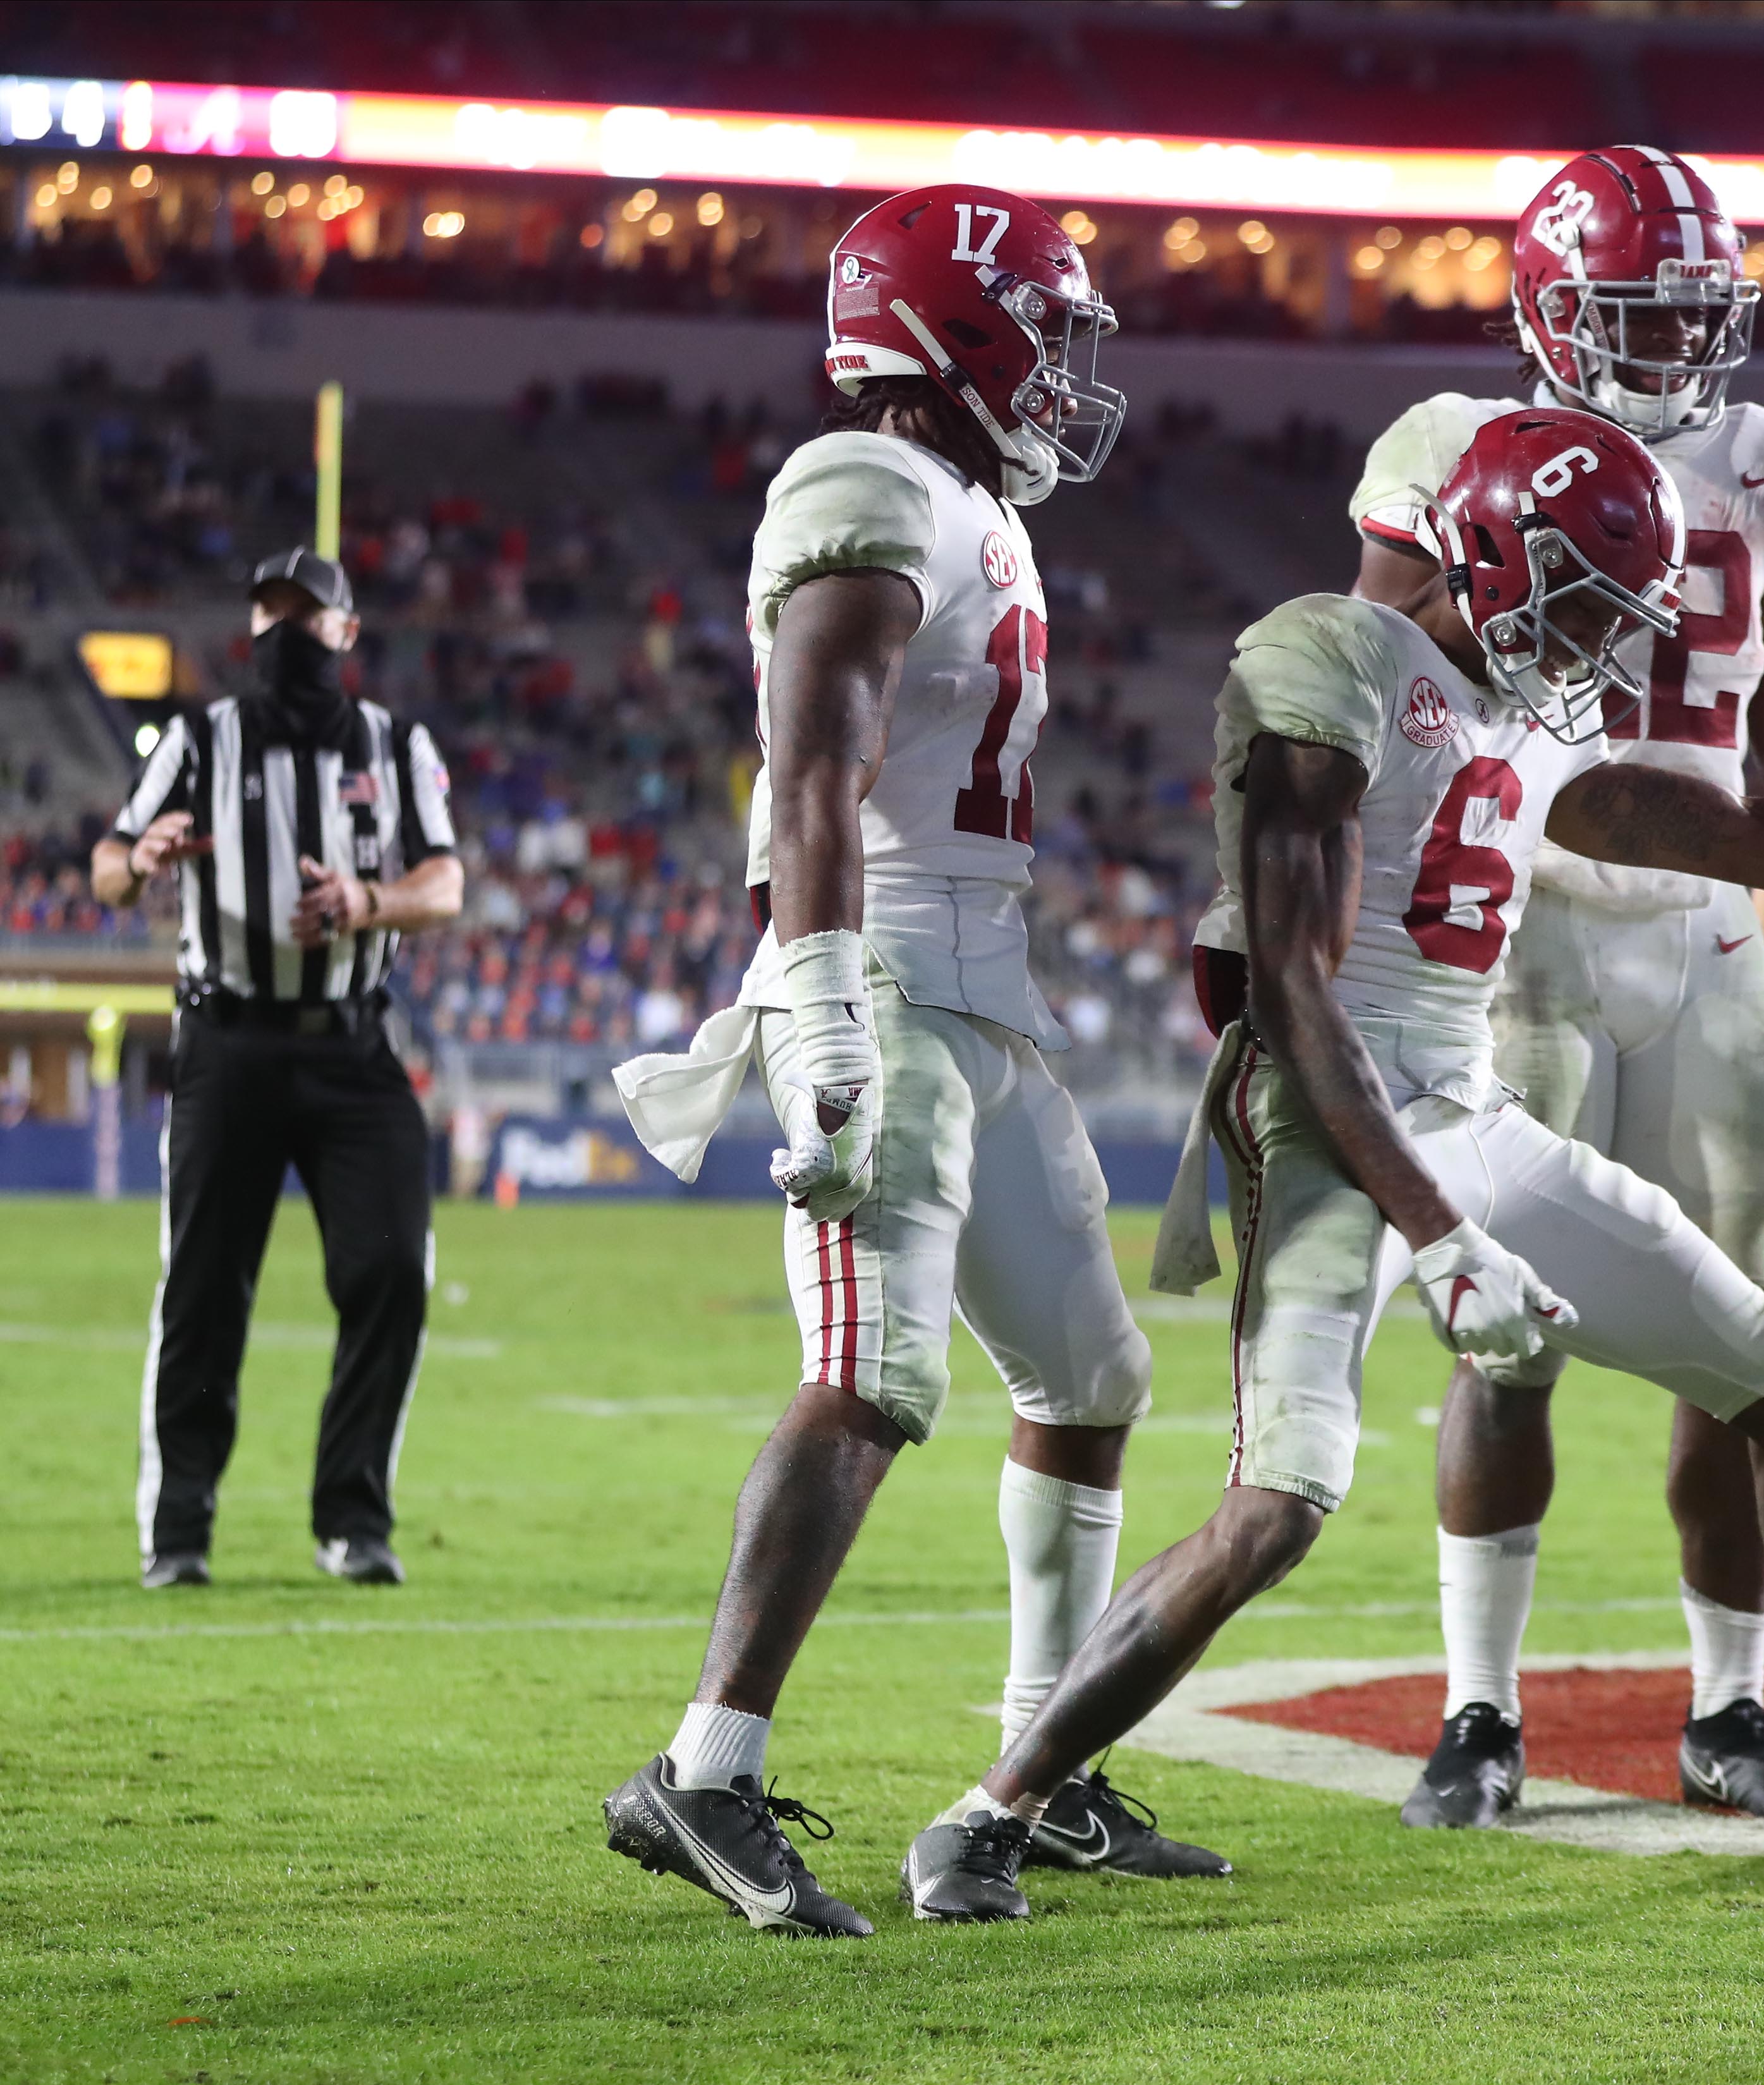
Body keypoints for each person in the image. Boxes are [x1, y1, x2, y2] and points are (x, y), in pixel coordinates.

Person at [899, 404, 1764, 1924]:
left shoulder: (1538, 716)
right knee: (1282, 1499)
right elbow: (1292, 986)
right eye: (1581, 601)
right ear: (1485, 553)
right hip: (1322, 1122)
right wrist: (1439, 1233)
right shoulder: (1327, 658)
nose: (1598, 642)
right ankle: (996, 1808)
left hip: (1461, 1107)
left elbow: (1755, 836)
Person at [599, 185, 1219, 1940]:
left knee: (1091, 1379)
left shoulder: (968, 506)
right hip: (878, 965)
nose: (1065, 361)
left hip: (986, 990)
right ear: (947, 328)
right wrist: (816, 1005)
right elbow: (809, 771)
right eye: (1044, 321)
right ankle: (701, 1770)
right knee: (873, 1373)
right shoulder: (865, 482)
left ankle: (1045, 1764)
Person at [1346, 145, 1764, 1827]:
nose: (1676, 346)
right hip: (1519, 940)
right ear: (1543, 308)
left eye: (1695, 312)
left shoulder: (1763, 461)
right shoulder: (1443, 449)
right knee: (1505, 1343)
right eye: (1637, 312)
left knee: (1739, 1339)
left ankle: (1724, 1706)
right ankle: (1478, 1708)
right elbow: (1364, 700)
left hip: (1707, 949)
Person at [93, 547, 463, 1591]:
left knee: (392, 1270)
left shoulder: (396, 744)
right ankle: (179, 1529)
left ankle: (353, 1518)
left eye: (309, 616)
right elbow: (108, 864)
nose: (287, 632)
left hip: (353, 1040)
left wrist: (366, 901)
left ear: (348, 633)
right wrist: (146, 859)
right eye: (272, 612)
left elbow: (445, 883)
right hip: (229, 1042)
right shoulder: (201, 740)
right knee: (205, 1289)